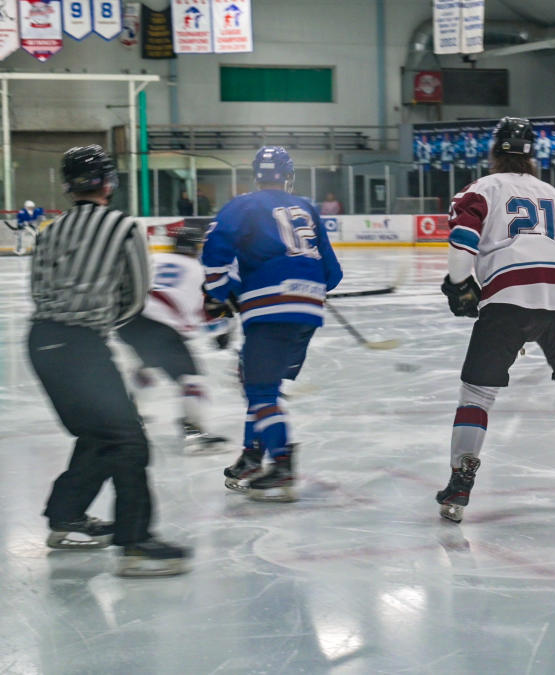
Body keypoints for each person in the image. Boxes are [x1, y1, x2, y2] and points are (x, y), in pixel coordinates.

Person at [436, 117, 555, 523]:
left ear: (494, 151)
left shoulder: (480, 189)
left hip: (507, 295)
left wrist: (458, 285)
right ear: (531, 156)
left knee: (477, 396)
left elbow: (463, 240)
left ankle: (461, 480)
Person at [28, 145, 190, 576]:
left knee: (100, 432)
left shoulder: (49, 230)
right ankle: (135, 543)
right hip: (81, 345)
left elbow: (38, 291)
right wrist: (99, 321)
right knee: (128, 439)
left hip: (41, 341)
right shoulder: (122, 226)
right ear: (108, 182)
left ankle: (66, 518)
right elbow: (135, 297)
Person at [204, 146, 343, 503]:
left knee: (260, 389)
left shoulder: (242, 205)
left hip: (269, 308)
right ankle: (253, 453)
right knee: (261, 382)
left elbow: (214, 252)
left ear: (256, 176)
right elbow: (333, 274)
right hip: (307, 311)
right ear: (289, 176)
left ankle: (281, 460)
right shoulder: (307, 207)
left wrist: (222, 291)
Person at [117, 221, 228, 453]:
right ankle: (194, 434)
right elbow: (208, 311)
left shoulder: (154, 260)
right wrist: (221, 333)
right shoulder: (200, 271)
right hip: (160, 327)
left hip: (127, 320)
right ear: (197, 247)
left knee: (148, 363)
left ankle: (126, 414)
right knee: (191, 379)